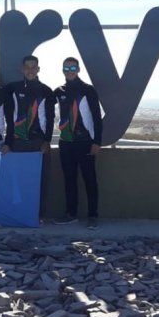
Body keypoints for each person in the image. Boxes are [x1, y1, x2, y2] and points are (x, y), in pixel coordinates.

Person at [52, 57, 102, 229]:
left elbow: (97, 117)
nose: (70, 70)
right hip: (66, 142)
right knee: (69, 179)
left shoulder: (88, 90)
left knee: (90, 179)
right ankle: (71, 214)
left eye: (73, 67)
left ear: (79, 69)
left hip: (85, 142)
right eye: (66, 68)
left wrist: (97, 142)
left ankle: (93, 216)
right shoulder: (59, 91)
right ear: (62, 70)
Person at [3, 55, 55, 218]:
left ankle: (39, 215)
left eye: (34, 67)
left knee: (39, 181)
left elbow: (50, 118)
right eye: (27, 67)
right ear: (22, 69)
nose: (30, 70)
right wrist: (8, 142)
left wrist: (47, 141)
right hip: (17, 143)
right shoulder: (12, 88)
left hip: (38, 143)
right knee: (16, 180)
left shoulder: (46, 90)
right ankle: (18, 213)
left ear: (38, 69)